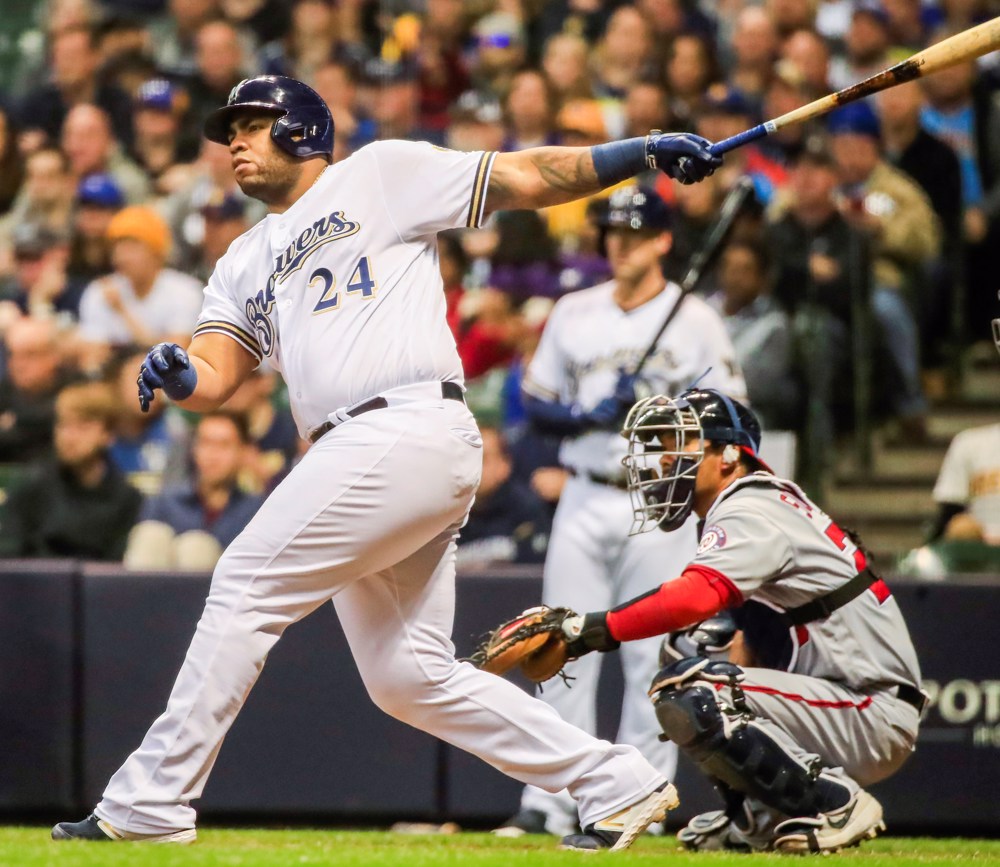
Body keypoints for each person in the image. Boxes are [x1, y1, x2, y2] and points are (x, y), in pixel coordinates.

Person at [51, 73, 725, 850]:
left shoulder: (377, 174)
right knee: (408, 676)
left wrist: (636, 151)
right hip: (362, 449)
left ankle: (150, 802)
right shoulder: (242, 258)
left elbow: (523, 175)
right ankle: (616, 777)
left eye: (250, 123)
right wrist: (182, 375)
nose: (232, 140)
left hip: (405, 422)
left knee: (243, 582)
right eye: (227, 128)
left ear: (301, 129)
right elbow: (217, 371)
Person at [536, 387, 923, 853]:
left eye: (680, 443)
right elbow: (745, 640)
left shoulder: (752, 505)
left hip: (869, 708)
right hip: (838, 698)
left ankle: (833, 802)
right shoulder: (747, 506)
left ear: (729, 455)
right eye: (660, 446)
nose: (663, 460)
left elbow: (697, 595)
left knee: (696, 692)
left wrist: (592, 630)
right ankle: (763, 816)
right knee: (693, 652)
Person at [500, 184, 745, 838]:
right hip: (584, 488)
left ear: (664, 240)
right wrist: (589, 414)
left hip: (659, 500)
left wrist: (659, 418)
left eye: (635, 233)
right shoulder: (575, 310)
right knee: (559, 644)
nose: (621, 243)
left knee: (652, 655)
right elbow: (536, 404)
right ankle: (551, 800)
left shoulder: (694, 318)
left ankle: (642, 798)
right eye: (612, 232)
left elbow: (730, 417)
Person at [0, 380, 141, 560]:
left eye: (82, 427)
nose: (69, 437)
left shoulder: (127, 499)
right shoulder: (31, 487)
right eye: (63, 425)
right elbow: (9, 558)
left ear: (108, 435)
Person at [124, 411, 265, 571]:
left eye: (224, 445)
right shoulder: (165, 502)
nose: (212, 455)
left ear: (244, 451)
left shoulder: (257, 511)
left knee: (196, 547)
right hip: (157, 587)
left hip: (223, 589)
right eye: (205, 443)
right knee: (151, 534)